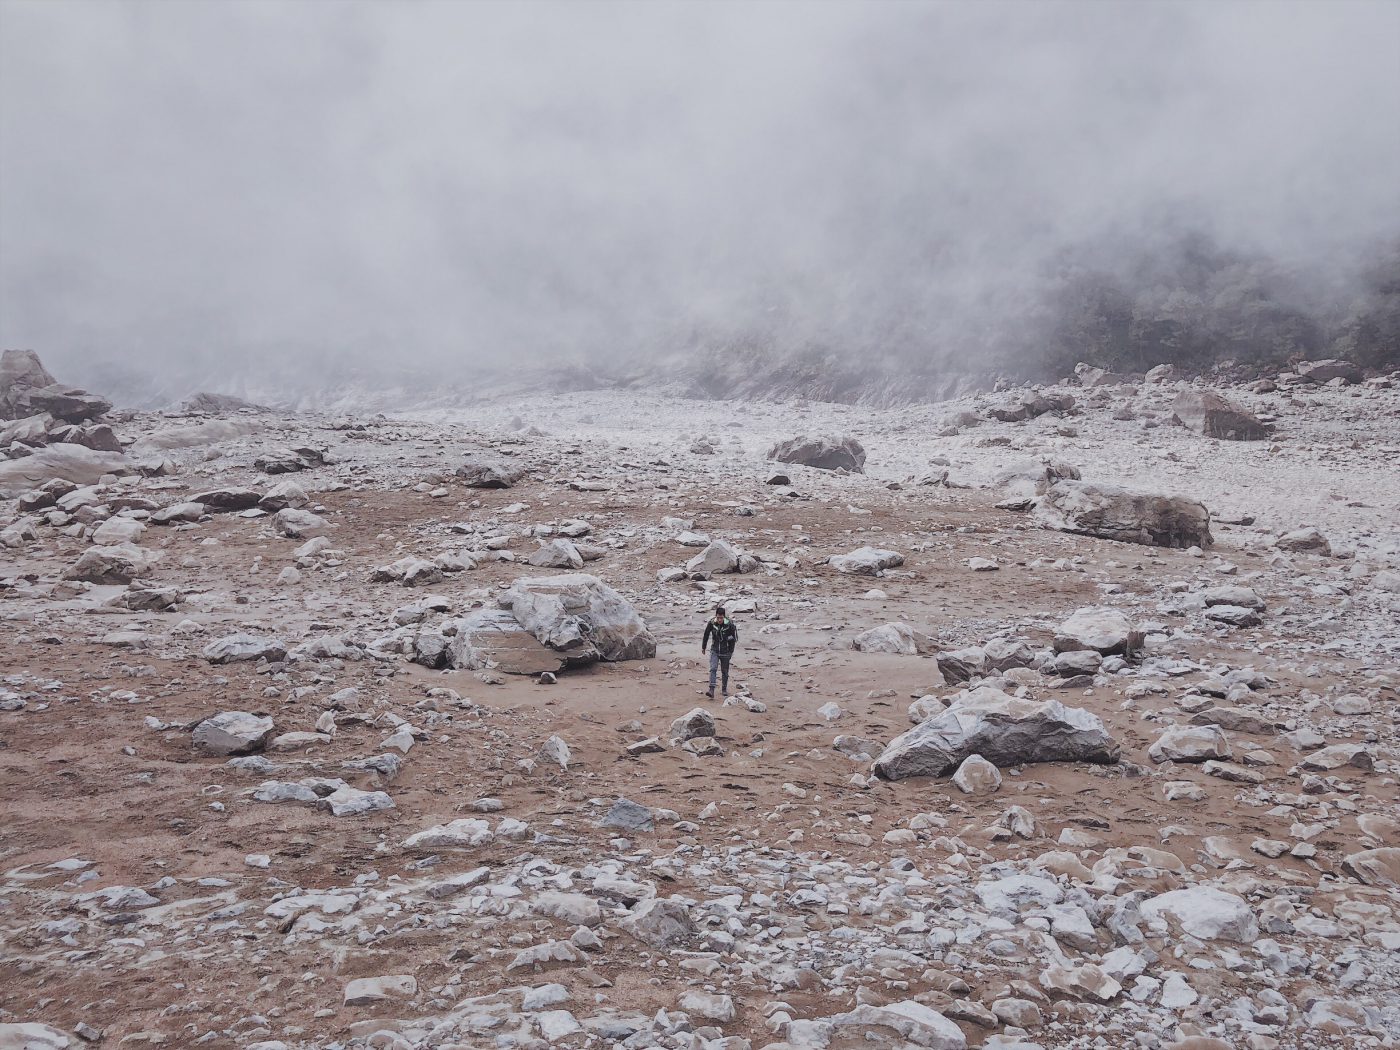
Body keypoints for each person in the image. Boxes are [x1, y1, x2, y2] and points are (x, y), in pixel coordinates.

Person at [701, 605, 738, 699]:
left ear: (724, 617)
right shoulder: (712, 623)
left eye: (721, 618)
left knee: (724, 672)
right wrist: (703, 647)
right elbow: (706, 634)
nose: (719, 620)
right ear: (716, 616)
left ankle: (724, 689)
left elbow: (734, 639)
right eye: (718, 617)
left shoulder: (729, 624)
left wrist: (730, 652)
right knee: (713, 668)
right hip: (715, 650)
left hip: (726, 652)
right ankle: (711, 690)